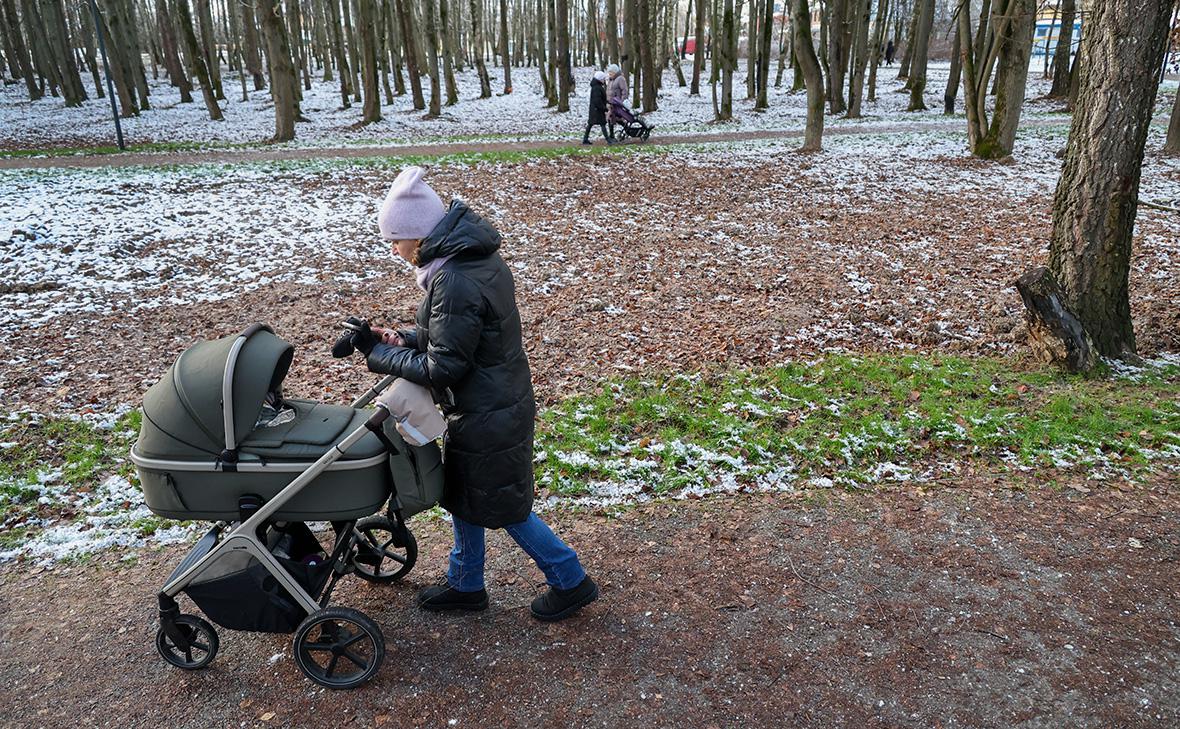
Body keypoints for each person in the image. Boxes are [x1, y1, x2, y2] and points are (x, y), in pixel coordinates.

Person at [347, 166, 599, 623]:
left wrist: (376, 354)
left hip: (488, 410)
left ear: (418, 236)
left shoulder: (454, 279)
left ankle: (569, 579)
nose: (394, 250)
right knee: (464, 493)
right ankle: (466, 582)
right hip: (492, 400)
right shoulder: (468, 260)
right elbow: (454, 339)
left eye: (395, 239)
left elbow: (442, 366)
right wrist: (397, 339)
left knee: (503, 505)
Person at [583, 71, 611, 145]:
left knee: (591, 124)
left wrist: (607, 102)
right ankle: (608, 140)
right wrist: (604, 108)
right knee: (602, 124)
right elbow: (597, 100)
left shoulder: (596, 87)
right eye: (603, 79)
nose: (604, 80)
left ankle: (585, 139)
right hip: (597, 110)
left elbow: (600, 98)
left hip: (594, 109)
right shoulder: (597, 88)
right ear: (600, 79)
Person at [606, 64, 628, 140]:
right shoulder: (610, 80)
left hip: (617, 103)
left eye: (611, 73)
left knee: (617, 118)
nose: (609, 74)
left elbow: (624, 91)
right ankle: (611, 135)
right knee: (611, 118)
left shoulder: (620, 79)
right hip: (611, 103)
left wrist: (622, 101)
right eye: (609, 73)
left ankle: (627, 129)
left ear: (615, 72)